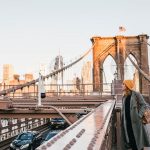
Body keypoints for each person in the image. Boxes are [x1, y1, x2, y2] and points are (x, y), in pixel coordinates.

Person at [121, 80, 150, 150]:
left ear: (127, 86)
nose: (122, 86)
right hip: (127, 122)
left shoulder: (136, 94)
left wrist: (139, 115)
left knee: (138, 142)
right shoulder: (124, 96)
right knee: (131, 141)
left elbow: (144, 105)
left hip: (136, 122)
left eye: (123, 84)